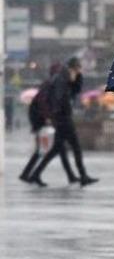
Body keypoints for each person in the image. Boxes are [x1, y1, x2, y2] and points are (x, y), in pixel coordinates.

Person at [24, 57, 97, 188]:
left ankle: (35, 174)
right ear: (73, 67)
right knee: (76, 147)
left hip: (62, 118)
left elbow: (75, 91)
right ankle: (83, 176)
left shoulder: (67, 78)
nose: (79, 70)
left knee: (55, 149)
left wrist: (78, 77)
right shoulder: (61, 79)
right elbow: (59, 99)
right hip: (63, 119)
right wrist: (58, 116)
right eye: (78, 68)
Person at [19, 65, 77, 186]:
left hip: (43, 122)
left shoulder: (50, 85)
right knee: (44, 149)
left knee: (57, 149)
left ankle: (69, 176)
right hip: (42, 123)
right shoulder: (49, 86)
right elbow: (44, 105)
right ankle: (30, 174)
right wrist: (49, 118)